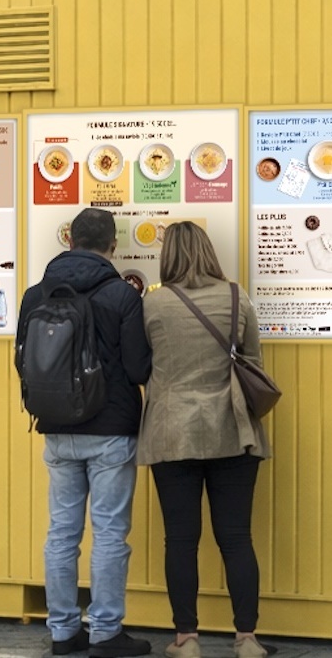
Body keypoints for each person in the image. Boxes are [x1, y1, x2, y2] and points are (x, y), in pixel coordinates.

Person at [16, 207, 153, 658]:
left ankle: (62, 631)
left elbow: (23, 360)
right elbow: (137, 368)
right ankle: (106, 632)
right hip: (111, 430)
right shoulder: (121, 295)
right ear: (112, 245)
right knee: (110, 532)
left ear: (69, 241)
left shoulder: (37, 294)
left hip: (56, 426)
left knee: (61, 532)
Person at [137, 223, 273, 658]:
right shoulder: (237, 297)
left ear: (168, 255)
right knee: (236, 536)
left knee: (180, 538)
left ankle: (187, 638)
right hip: (232, 429)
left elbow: (140, 366)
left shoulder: (152, 304)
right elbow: (253, 360)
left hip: (172, 431)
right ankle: (247, 639)